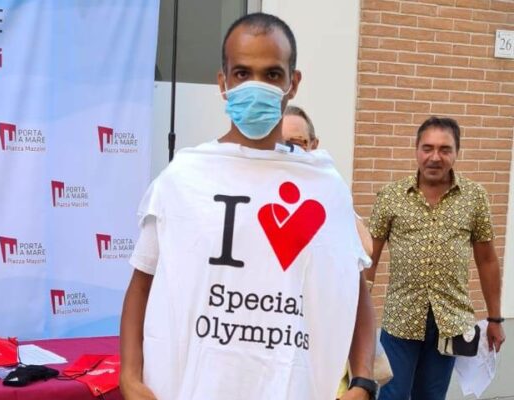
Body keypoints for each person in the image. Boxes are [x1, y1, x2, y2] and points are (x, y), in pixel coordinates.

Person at [120, 13, 377, 400]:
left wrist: (363, 381)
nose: (256, 87)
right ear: (222, 82)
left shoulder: (325, 188)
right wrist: (129, 376)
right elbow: (141, 285)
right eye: (242, 73)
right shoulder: (183, 179)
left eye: (272, 74)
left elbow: (354, 292)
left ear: (293, 83)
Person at [365, 116, 506, 400]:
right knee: (391, 395)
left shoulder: (474, 197)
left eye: (445, 149)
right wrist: (359, 314)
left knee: (430, 396)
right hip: (401, 319)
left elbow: (487, 260)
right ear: (416, 149)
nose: (435, 157)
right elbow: (370, 258)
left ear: (457, 152)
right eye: (427, 148)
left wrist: (495, 318)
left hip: (449, 322)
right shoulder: (391, 196)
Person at [281, 107, 374, 398]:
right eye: (280, 144)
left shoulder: (329, 194)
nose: (288, 151)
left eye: (296, 143)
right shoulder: (252, 191)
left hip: (321, 358)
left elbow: (365, 250)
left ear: (314, 145)